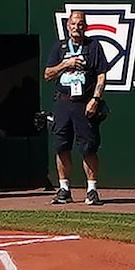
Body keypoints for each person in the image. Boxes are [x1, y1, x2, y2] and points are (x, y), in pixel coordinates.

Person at [47, 26, 114, 206]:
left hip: (84, 101)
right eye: (73, 23)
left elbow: (101, 75)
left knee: (88, 147)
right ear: (68, 26)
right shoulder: (59, 47)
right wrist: (65, 64)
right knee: (61, 145)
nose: (76, 27)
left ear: (84, 27)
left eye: (80, 24)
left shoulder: (93, 46)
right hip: (63, 101)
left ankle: (92, 190)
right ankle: (64, 189)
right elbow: (47, 74)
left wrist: (96, 99)